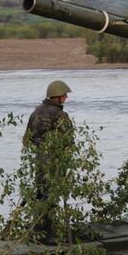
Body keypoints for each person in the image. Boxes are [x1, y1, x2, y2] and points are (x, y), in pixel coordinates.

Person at [24, 80, 75, 239]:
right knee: (51, 196)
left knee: (40, 194)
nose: (66, 98)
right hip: (55, 161)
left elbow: (27, 139)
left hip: (39, 159)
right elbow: (68, 141)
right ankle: (47, 233)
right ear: (58, 97)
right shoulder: (60, 115)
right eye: (64, 95)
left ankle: (38, 230)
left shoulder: (36, 111)